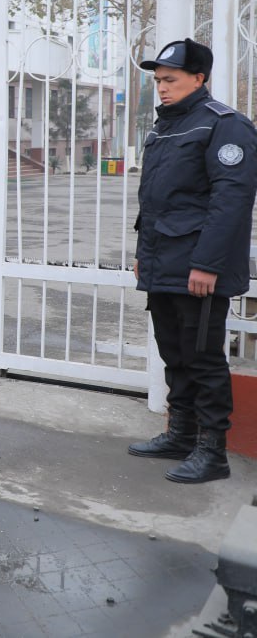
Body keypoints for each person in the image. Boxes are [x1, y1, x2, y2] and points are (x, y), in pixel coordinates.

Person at [128, 38, 257, 484]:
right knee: (174, 354)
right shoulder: (165, 127)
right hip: (162, 261)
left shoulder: (225, 126)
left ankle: (212, 451)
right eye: (158, 81)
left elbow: (231, 201)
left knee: (202, 358)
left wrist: (206, 264)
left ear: (199, 78)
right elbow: (156, 203)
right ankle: (180, 436)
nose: (162, 88)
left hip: (198, 267)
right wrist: (143, 256)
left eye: (171, 79)